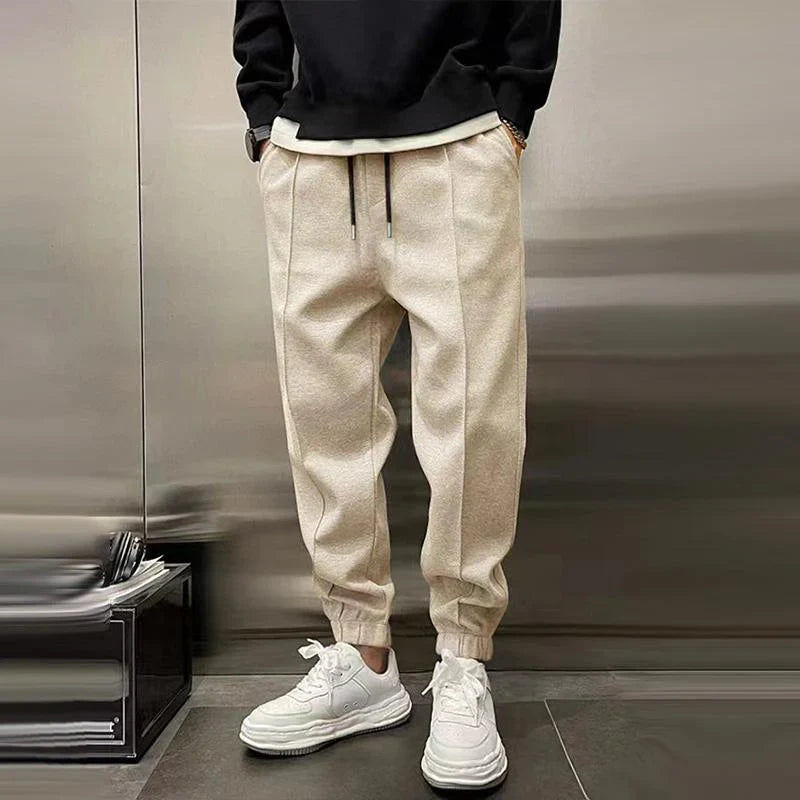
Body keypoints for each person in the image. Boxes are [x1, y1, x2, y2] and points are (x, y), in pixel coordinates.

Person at [232, 0, 560, 790]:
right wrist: (264, 113)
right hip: (313, 155)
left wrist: (512, 110)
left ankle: (462, 659)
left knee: (475, 417)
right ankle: (362, 657)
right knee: (323, 416)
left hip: (457, 145)